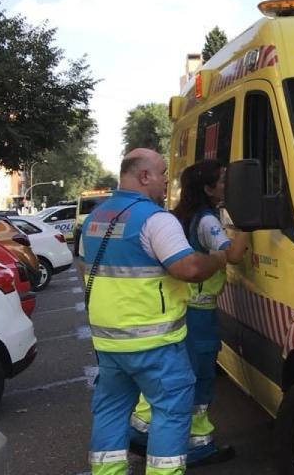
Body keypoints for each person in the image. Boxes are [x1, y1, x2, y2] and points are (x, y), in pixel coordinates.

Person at [82, 149, 228, 475]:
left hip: (109, 342)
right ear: (144, 176)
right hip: (155, 343)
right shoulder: (156, 219)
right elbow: (188, 267)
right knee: (171, 412)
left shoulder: (96, 218)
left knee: (110, 410)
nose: (166, 181)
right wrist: (216, 260)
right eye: (163, 173)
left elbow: (90, 270)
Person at [129, 160, 248, 466]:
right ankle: (196, 445)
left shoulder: (181, 216)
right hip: (200, 312)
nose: (226, 186)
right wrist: (248, 222)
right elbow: (232, 255)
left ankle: (142, 431)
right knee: (201, 376)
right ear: (208, 189)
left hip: (183, 308)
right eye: (222, 181)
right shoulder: (207, 221)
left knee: (174, 376)